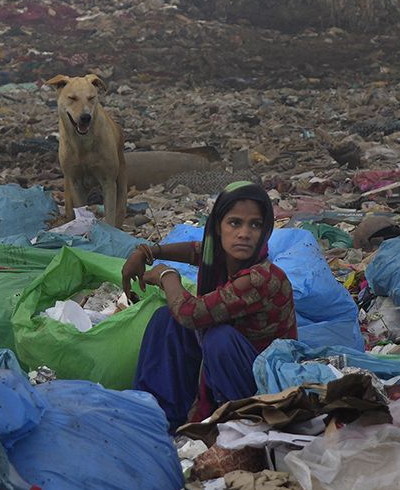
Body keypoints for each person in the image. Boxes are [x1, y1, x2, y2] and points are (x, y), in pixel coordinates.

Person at [124, 182, 297, 427]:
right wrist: (148, 252)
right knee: (165, 319)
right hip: (236, 363)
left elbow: (189, 313)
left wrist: (167, 276)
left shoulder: (261, 278)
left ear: (266, 230)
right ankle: (158, 414)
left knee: (219, 338)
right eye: (235, 223)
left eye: (255, 225)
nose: (244, 233)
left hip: (265, 384)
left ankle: (229, 422)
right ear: (218, 226)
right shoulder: (226, 256)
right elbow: (197, 250)